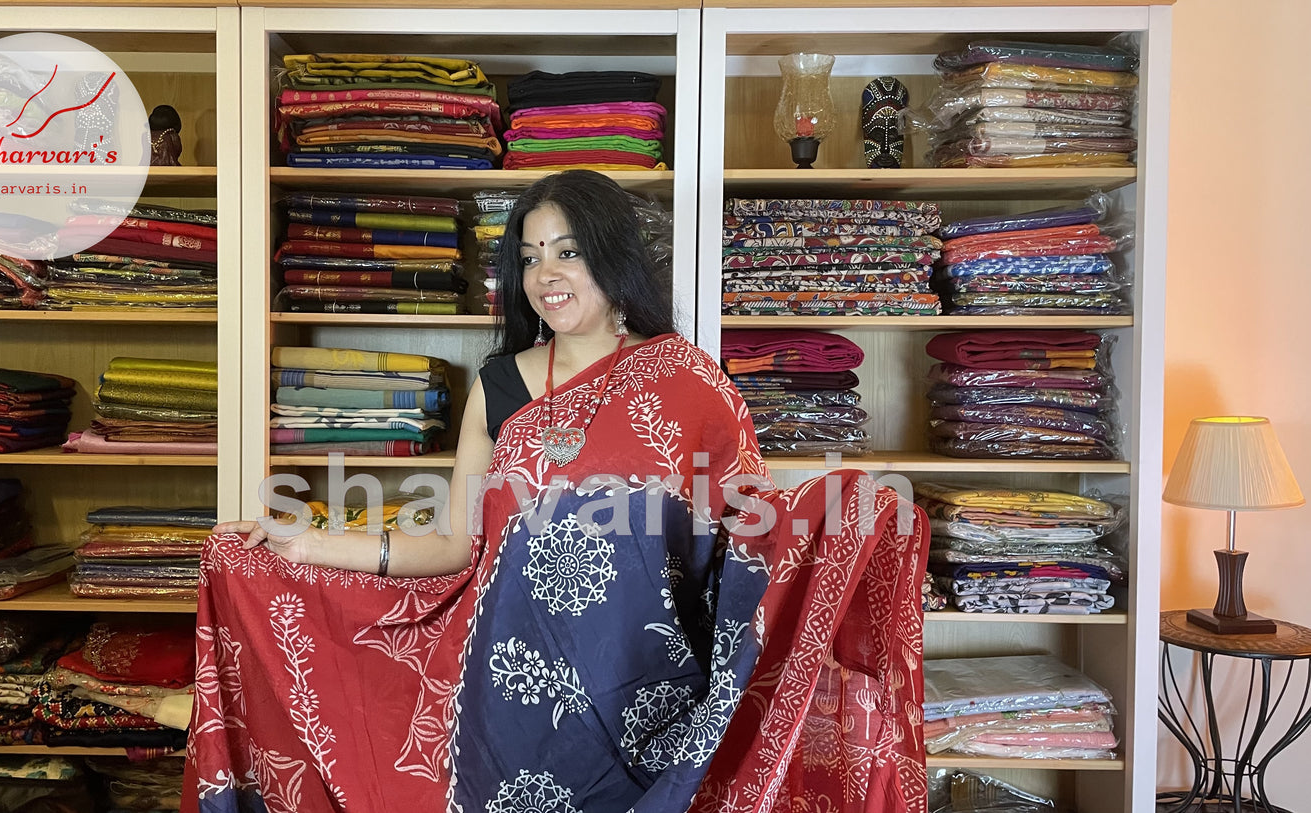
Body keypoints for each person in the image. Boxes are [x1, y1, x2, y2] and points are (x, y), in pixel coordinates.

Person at [191, 170, 929, 813]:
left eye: (567, 251)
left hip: (648, 702)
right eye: (530, 256)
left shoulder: (689, 383)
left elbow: (750, 538)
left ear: (612, 257)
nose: (546, 274)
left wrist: (845, 514)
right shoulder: (499, 385)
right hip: (507, 704)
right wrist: (305, 539)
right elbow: (455, 546)